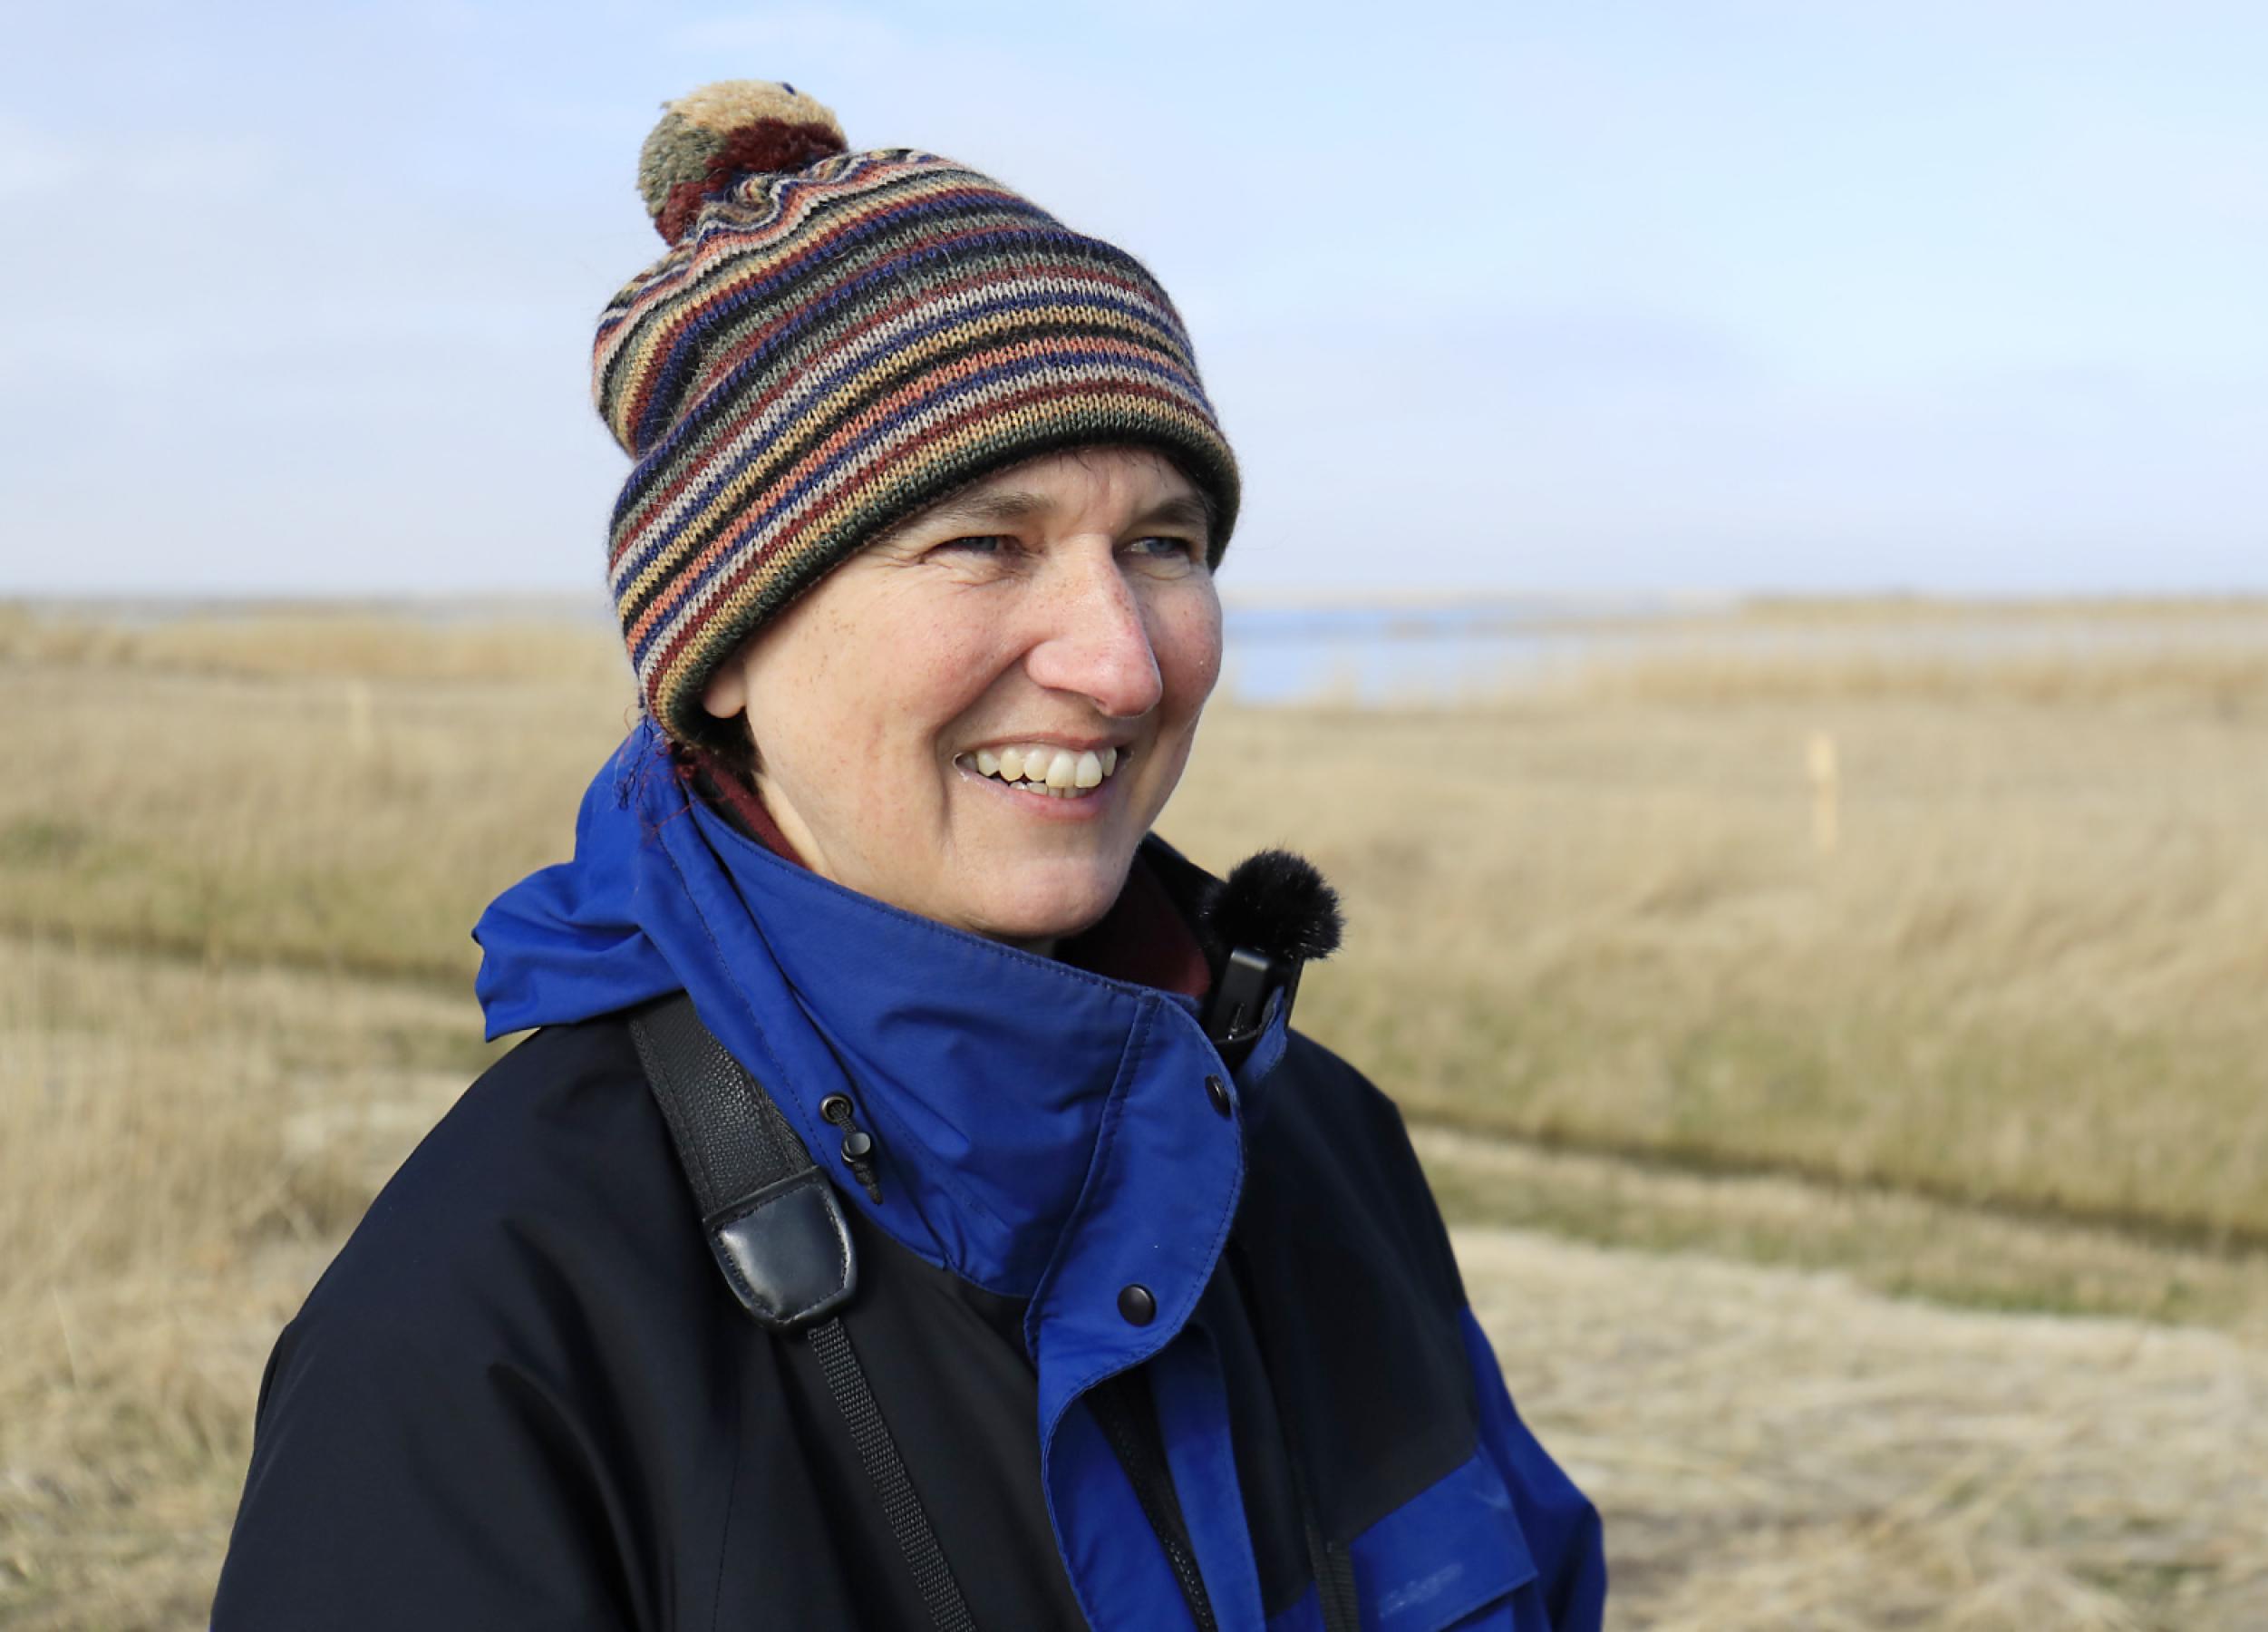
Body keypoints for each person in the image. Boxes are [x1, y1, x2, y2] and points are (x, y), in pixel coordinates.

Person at [211, 80, 1605, 1631]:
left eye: (1163, 545)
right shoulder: (489, 1324)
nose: (1124, 666)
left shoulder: (1322, 1149)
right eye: (982, 543)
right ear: (726, 650)